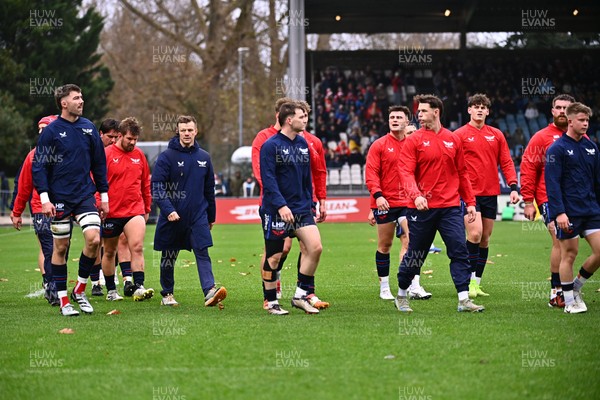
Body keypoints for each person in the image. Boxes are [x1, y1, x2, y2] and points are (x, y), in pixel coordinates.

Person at [396, 94, 484, 313]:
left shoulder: (453, 139)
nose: (419, 114)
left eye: (423, 111)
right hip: (420, 209)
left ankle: (463, 299)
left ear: (436, 112)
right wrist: (416, 195)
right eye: (419, 111)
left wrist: (470, 202)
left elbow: (462, 172)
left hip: (450, 207)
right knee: (416, 254)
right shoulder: (414, 140)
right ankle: (401, 294)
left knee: (459, 250)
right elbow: (405, 171)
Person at [32, 84, 108, 317]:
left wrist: (103, 196)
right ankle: (64, 300)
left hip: (85, 195)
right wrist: (45, 199)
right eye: (76, 98)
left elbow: (99, 164)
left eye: (82, 97)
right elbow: (39, 167)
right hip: (60, 198)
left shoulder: (89, 128)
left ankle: (80, 289)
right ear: (63, 103)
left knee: (94, 240)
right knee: (61, 247)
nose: (81, 101)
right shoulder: (51, 132)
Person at [253, 98, 329, 311]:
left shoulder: (303, 143)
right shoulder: (270, 145)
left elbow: (307, 179)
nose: (306, 120)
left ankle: (301, 295)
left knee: (315, 247)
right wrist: (280, 206)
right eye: (302, 116)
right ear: (289, 119)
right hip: (277, 210)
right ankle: (271, 301)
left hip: (302, 208)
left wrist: (311, 203)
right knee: (275, 255)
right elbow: (268, 179)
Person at [152, 115, 227, 307]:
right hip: (173, 216)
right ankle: (167, 294)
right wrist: (168, 210)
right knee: (169, 256)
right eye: (183, 130)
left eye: (190, 130)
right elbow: (157, 187)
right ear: (178, 131)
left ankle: (209, 291)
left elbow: (209, 190)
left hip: (198, 216)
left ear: (196, 131)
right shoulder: (166, 157)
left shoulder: (204, 157)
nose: (186, 133)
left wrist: (211, 216)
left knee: (202, 252)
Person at [454, 94, 519, 298]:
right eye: (475, 106)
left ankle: (476, 283)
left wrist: (514, 186)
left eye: (483, 107)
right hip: (468, 193)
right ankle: (467, 281)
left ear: (488, 111)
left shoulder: (497, 135)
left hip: (491, 192)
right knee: (474, 234)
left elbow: (506, 162)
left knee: (484, 239)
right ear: (469, 110)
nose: (479, 110)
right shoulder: (459, 134)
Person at [365, 105, 431, 300]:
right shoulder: (379, 145)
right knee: (385, 245)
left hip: (408, 202)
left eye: (398, 117)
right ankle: (384, 287)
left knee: (411, 242)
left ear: (406, 122)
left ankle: (413, 285)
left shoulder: (414, 145)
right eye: (391, 117)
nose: (394, 120)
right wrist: (377, 197)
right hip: (385, 202)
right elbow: (371, 174)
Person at [521, 94, 575, 307]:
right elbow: (527, 169)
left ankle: (573, 285)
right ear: (552, 111)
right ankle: (557, 291)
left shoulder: (582, 137)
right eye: (558, 107)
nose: (562, 111)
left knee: (573, 247)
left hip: (576, 201)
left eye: (566, 108)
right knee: (560, 243)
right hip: (548, 199)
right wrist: (527, 201)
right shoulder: (541, 137)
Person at [545, 102, 600, 314]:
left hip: (591, 210)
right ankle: (568, 302)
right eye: (581, 120)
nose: (586, 124)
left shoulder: (592, 147)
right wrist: (559, 212)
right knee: (569, 254)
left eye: (587, 120)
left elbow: (597, 182)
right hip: (569, 212)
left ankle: (576, 287)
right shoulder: (556, 149)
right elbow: (552, 183)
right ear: (570, 121)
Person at [101, 117, 153, 302]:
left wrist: (147, 207)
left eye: (135, 139)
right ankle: (111, 290)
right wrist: (99, 203)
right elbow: (95, 181)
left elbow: (145, 183)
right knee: (109, 252)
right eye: (129, 139)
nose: (132, 143)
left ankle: (139, 286)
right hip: (111, 212)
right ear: (120, 135)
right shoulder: (106, 154)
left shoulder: (139, 156)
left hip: (134, 210)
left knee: (137, 247)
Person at [10, 115, 60, 306]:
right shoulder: (33, 156)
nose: (41, 133)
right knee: (49, 249)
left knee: (61, 249)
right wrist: (17, 212)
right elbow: (23, 186)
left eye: (45, 128)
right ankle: (52, 287)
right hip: (41, 209)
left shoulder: (68, 152)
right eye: (39, 129)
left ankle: (55, 284)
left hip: (63, 209)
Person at [89, 118, 123, 297]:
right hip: (93, 201)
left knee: (114, 241)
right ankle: (95, 282)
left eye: (116, 137)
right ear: (100, 134)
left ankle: (111, 274)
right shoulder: (92, 151)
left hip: (114, 203)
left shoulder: (118, 153)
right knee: (95, 241)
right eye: (110, 136)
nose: (113, 140)